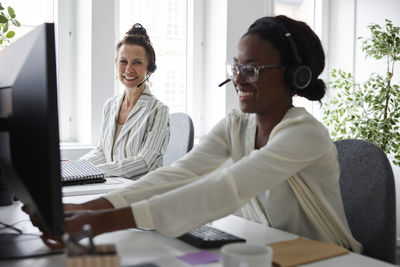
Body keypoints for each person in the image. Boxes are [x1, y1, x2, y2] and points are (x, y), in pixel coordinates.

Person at [40, 15, 363, 252]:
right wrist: (95, 206)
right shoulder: (237, 125)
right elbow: (178, 174)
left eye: (250, 69)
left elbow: (228, 187)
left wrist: (101, 222)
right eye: (235, 68)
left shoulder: (305, 134)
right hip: (268, 251)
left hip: (325, 257)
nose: (238, 79)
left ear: (292, 75)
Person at [80, 23, 170, 179]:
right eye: (123, 61)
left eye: (137, 62)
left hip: (140, 192)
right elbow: (102, 151)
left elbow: (144, 162)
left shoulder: (158, 110)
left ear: (149, 68)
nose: (128, 69)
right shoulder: (110, 105)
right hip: (113, 186)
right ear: (116, 64)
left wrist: (96, 172)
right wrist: (76, 167)